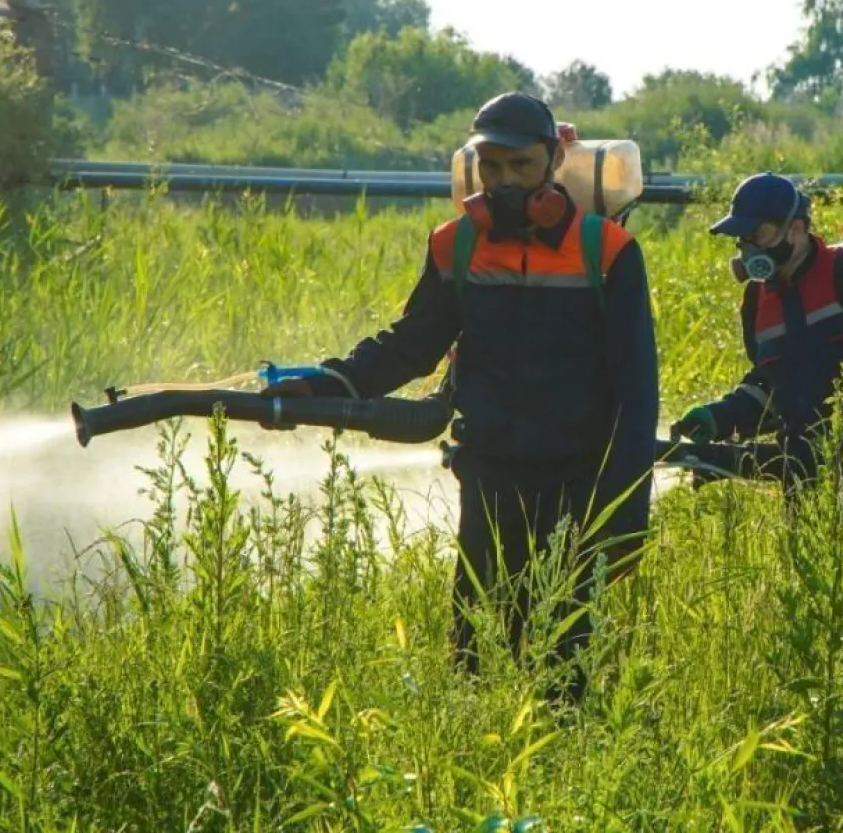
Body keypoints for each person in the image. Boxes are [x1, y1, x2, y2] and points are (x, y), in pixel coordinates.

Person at [263, 92, 659, 702]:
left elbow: (638, 393)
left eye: (521, 166)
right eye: (492, 167)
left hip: (580, 483)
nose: (504, 182)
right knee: (475, 654)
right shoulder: (458, 245)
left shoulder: (607, 251)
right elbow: (410, 346)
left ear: (554, 159)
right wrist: (323, 386)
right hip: (491, 477)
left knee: (566, 662)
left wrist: (627, 511)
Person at [669, 173, 843, 505]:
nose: (748, 248)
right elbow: (770, 387)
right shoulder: (757, 299)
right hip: (801, 480)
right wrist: (718, 417)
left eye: (757, 234)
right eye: (741, 239)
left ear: (796, 228)